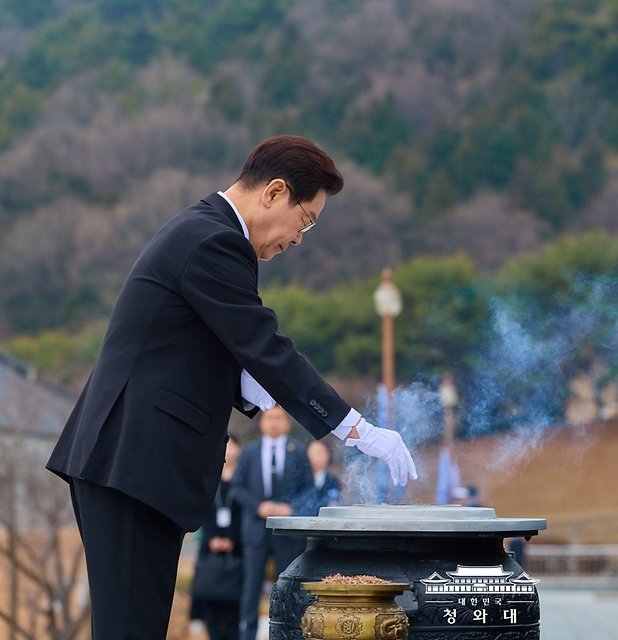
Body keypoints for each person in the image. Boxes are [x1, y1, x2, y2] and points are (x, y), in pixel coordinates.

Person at [45, 135, 417, 639]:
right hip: (131, 463)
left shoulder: (205, 231)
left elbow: (214, 353)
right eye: (304, 220)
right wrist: (357, 430)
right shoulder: (214, 241)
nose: (299, 238)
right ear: (274, 192)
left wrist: (258, 392)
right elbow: (266, 348)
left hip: (131, 464)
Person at [232, 407, 314, 640]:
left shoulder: (298, 451)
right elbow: (237, 487)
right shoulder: (249, 452)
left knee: (289, 588)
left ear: (287, 423)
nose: (274, 423)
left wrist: (292, 508)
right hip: (256, 530)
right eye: (270, 418)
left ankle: (290, 634)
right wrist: (258, 506)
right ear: (261, 423)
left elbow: (309, 488)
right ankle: (247, 635)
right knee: (251, 589)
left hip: (287, 533)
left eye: (279, 418)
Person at [190, 435, 244, 640]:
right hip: (209, 548)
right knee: (210, 606)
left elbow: (243, 513)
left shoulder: (243, 477)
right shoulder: (207, 475)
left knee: (234, 609)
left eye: (233, 447)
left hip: (238, 548)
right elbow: (202, 509)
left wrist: (232, 539)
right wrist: (212, 538)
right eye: (226, 446)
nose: (228, 451)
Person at [307, 439, 341, 510]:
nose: (317, 458)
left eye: (320, 453)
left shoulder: (333, 481)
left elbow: (334, 504)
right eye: (315, 453)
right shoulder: (301, 480)